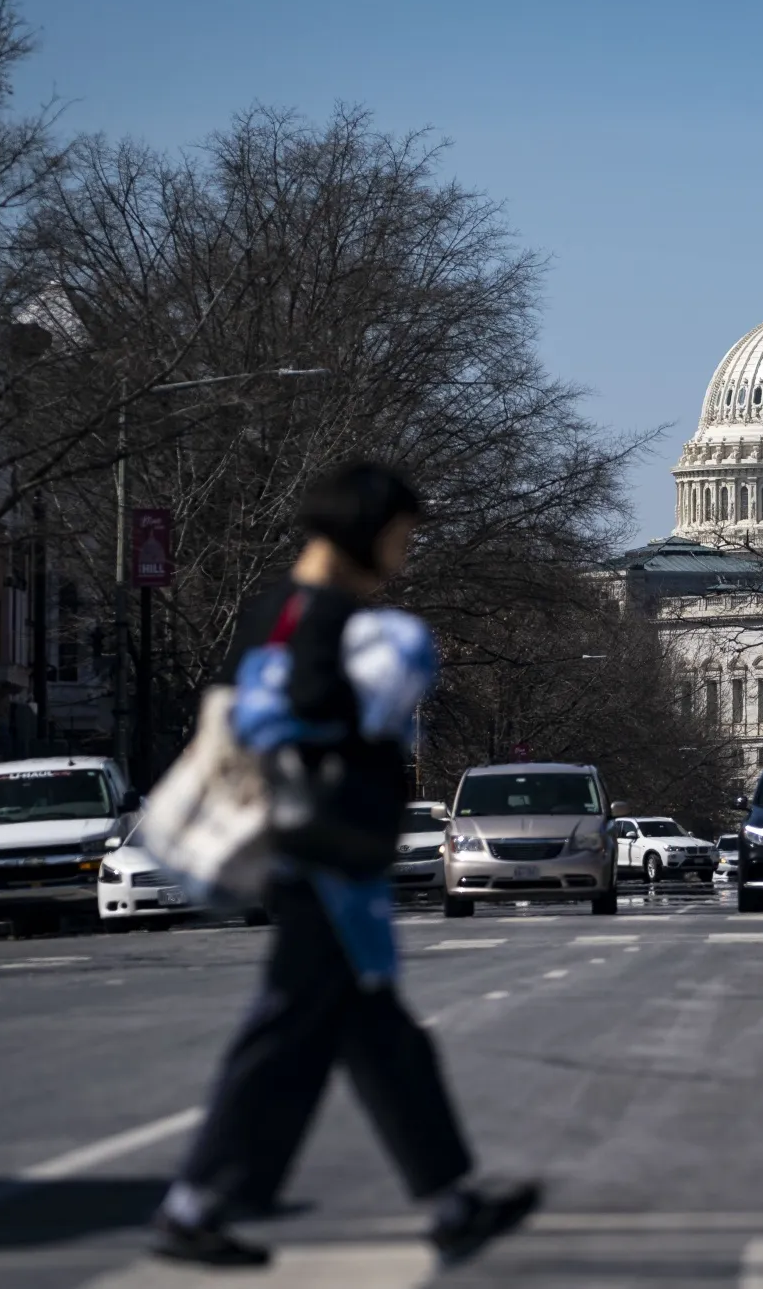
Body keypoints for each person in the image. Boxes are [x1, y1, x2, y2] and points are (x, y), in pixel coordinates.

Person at [153, 461, 538, 1269]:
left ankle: (451, 1198)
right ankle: (195, 1201)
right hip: (322, 859)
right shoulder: (317, 620)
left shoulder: (277, 613)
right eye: (398, 538)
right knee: (285, 1037)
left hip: (329, 861)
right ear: (362, 531)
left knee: (383, 1040)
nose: (401, 557)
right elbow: (300, 720)